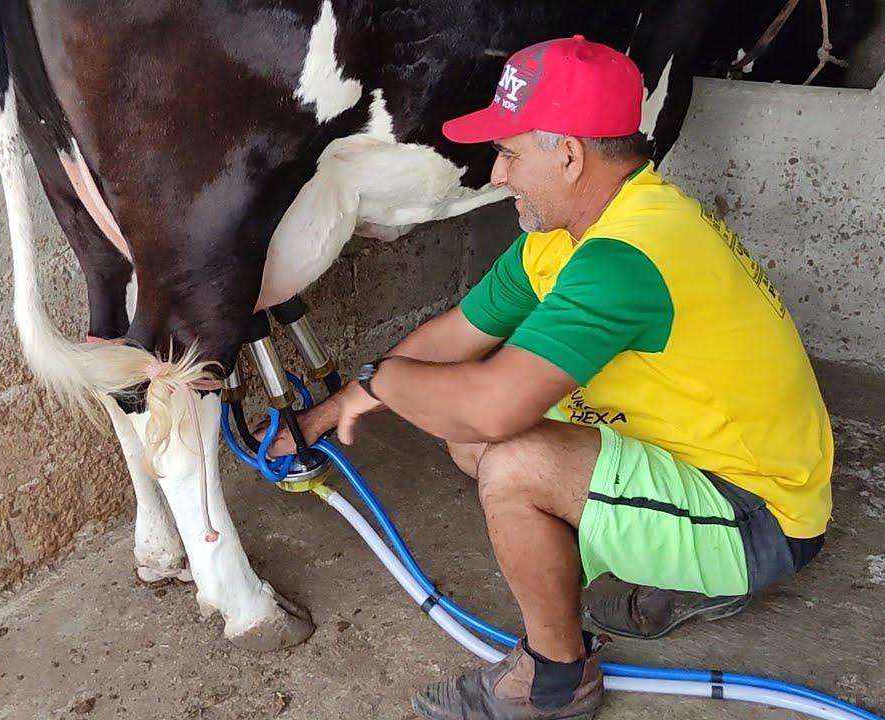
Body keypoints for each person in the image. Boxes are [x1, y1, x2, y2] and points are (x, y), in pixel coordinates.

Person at [259, 34, 833, 720]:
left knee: (510, 459)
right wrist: (325, 415)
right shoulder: (573, 232)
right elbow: (452, 338)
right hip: (702, 453)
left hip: (761, 514)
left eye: (508, 153)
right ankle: (672, 571)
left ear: (569, 156)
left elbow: (490, 407)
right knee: (471, 442)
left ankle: (555, 681)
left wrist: (385, 381)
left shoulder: (625, 259)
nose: (496, 175)